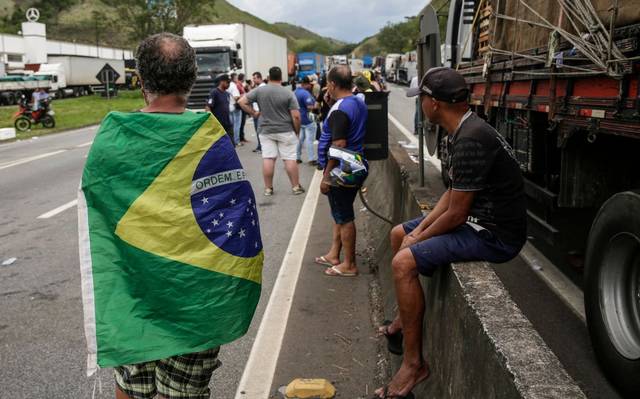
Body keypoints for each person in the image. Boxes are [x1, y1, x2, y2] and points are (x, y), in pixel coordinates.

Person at [373, 67, 527, 398]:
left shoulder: (470, 139)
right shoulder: (461, 130)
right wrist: (419, 231)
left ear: (434, 103)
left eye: (422, 99)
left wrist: (420, 238)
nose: (420, 105)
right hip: (473, 219)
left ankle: (413, 365)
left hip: (492, 233)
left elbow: (457, 213)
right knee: (400, 234)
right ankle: (403, 324)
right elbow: (453, 194)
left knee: (402, 263)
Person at [113, 32, 231, 399]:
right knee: (178, 392)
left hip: (134, 295)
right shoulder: (212, 137)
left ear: (141, 81)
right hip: (194, 299)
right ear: (193, 77)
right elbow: (234, 225)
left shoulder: (116, 138)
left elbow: (99, 223)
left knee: (129, 384)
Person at [314, 65, 368, 277]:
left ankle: (349, 264)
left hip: (342, 169)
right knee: (339, 213)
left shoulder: (340, 111)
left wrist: (327, 177)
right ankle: (334, 254)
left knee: (344, 216)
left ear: (333, 84)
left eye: (328, 82)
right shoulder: (357, 101)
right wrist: (332, 105)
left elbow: (338, 147)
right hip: (357, 163)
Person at [238, 66, 305, 196]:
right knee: (289, 159)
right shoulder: (288, 93)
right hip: (285, 130)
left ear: (268, 77)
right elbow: (296, 116)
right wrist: (296, 132)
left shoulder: (259, 91)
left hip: (265, 130)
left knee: (268, 158)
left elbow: (242, 101)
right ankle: (296, 187)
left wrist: (254, 113)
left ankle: (268, 188)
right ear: (281, 78)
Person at [295, 76, 318, 165]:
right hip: (308, 119)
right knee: (309, 140)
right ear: (306, 84)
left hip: (299, 119)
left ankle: (297, 157)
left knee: (300, 139)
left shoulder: (295, 92)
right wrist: (316, 106)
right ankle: (311, 159)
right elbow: (309, 107)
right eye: (309, 84)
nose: (310, 86)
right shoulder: (305, 94)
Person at [205, 74, 233, 141]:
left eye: (229, 83)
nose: (229, 84)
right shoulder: (214, 92)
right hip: (218, 124)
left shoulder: (227, 94)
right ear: (222, 82)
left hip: (227, 123)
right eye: (227, 82)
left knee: (231, 143)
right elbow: (208, 107)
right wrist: (212, 121)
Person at [250, 71, 266, 153]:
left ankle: (262, 147)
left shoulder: (262, 87)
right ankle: (259, 146)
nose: (253, 80)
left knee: (260, 131)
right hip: (256, 112)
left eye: (254, 78)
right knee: (258, 131)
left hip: (259, 113)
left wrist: (259, 112)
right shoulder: (258, 87)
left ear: (259, 78)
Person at [228, 73, 242, 146]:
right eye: (236, 78)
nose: (237, 79)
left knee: (231, 125)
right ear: (233, 78)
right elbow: (236, 97)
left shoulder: (228, 85)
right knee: (237, 125)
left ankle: (231, 140)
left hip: (228, 107)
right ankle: (236, 140)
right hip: (235, 107)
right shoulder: (233, 86)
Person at [237, 73, 249, 144]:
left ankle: (242, 137)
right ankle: (240, 138)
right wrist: (244, 95)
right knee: (241, 123)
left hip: (243, 105)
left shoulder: (241, 84)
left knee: (242, 122)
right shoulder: (238, 85)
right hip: (241, 106)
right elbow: (238, 95)